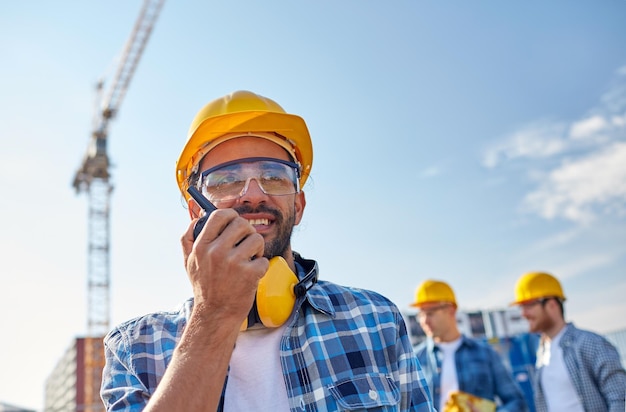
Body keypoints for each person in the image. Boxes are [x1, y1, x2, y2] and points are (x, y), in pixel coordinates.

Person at [100, 90, 435, 411]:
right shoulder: (136, 348)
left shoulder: (376, 321)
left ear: (299, 205)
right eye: (226, 179)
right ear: (195, 212)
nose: (253, 195)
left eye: (274, 176)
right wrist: (214, 313)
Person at [511, 271, 626, 412]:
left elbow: (620, 397)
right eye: (521, 307)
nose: (523, 314)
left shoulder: (589, 343)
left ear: (552, 304)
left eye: (529, 305)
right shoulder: (542, 350)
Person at [410, 279, 528, 412]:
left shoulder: (486, 354)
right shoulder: (414, 360)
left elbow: (516, 402)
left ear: (451, 310)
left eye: (430, 313)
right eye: (421, 314)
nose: (424, 320)